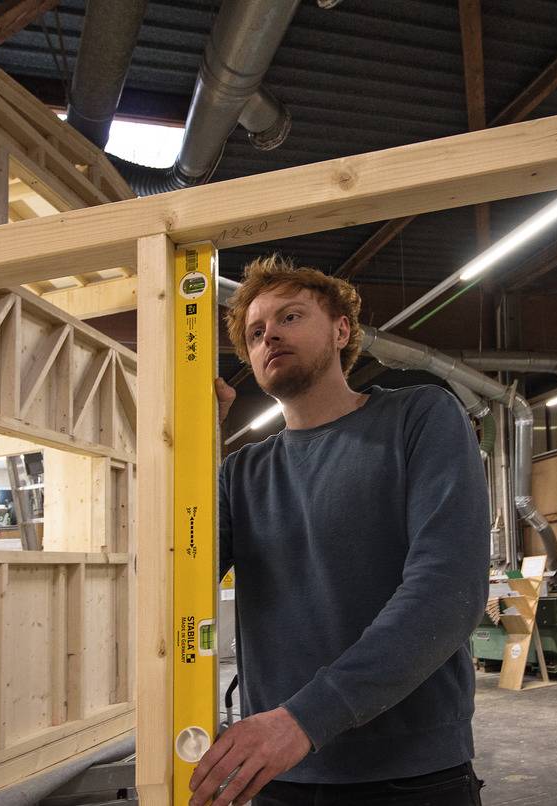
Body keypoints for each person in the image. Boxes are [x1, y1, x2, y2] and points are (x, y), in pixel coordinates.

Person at [189, 255, 489, 806]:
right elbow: (180, 575)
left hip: (410, 773)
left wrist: (303, 719)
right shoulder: (241, 472)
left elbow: (449, 591)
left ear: (342, 329)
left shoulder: (420, 418)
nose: (270, 335)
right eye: (255, 333)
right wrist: (190, 443)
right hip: (281, 776)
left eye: (291, 317)